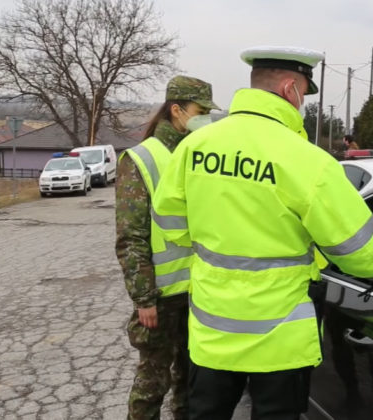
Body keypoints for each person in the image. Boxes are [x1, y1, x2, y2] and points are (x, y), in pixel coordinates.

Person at [152, 46, 373, 420]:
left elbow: (169, 224)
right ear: (290, 88)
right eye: (304, 94)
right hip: (279, 340)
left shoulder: (195, 146)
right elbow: (357, 248)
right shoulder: (307, 160)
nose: (301, 104)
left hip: (212, 330)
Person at [115, 75, 220, 420]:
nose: (204, 117)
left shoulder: (201, 153)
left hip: (199, 292)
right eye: (199, 110)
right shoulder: (142, 158)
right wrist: (143, 297)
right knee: (151, 386)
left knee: (191, 382)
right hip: (161, 296)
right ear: (176, 111)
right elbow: (131, 236)